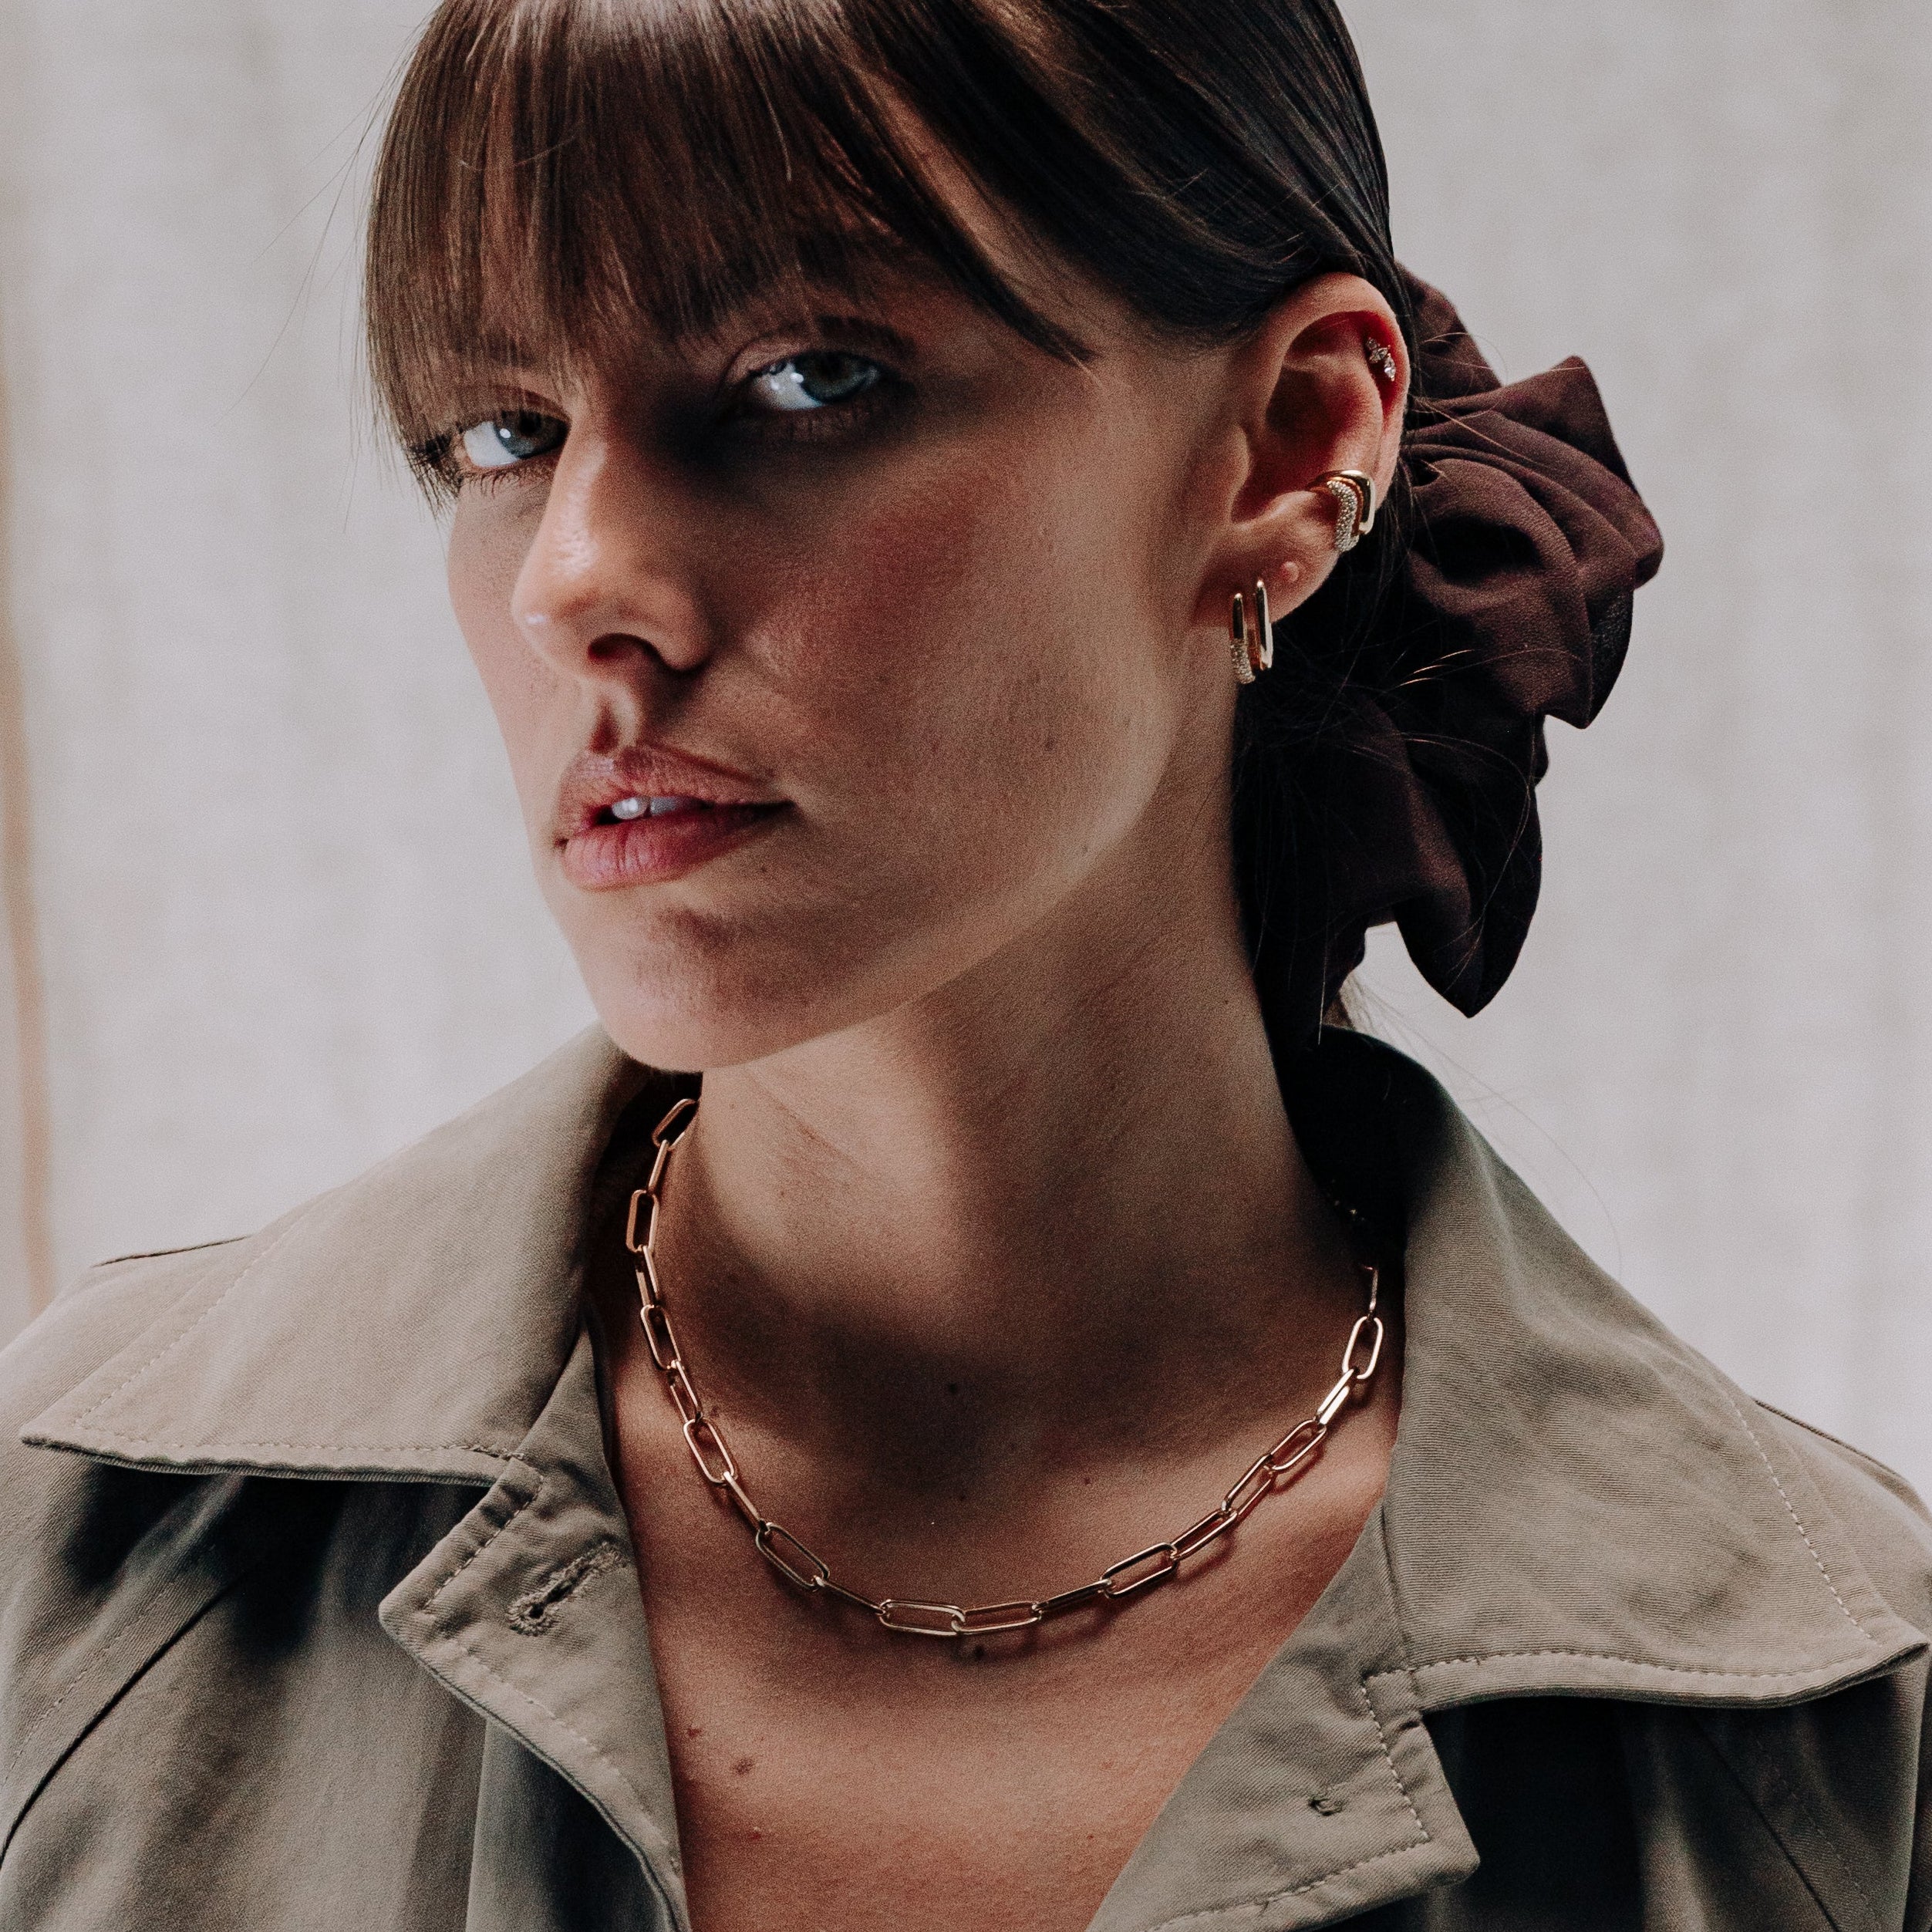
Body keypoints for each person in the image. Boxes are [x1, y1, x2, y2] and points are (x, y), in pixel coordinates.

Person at [2, 0, 1928, 1925]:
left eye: (807, 380)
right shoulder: (62, 1557)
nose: (569, 581)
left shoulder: (1848, 1750)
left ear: (1287, 445)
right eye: (501, 431)